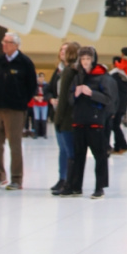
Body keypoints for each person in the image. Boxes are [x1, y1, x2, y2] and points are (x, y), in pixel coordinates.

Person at [63, 46, 115, 198]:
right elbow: (70, 99)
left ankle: (100, 187)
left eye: (88, 59)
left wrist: (92, 93)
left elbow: (109, 100)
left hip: (96, 122)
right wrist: (76, 93)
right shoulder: (77, 76)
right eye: (83, 59)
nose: (85, 62)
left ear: (93, 60)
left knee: (99, 155)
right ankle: (76, 186)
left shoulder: (103, 77)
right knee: (78, 155)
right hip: (79, 121)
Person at [0, 31, 37, 190]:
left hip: (15, 109)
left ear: (16, 45)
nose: (4, 44)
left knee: (14, 144)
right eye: (3, 41)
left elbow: (32, 86)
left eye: (8, 42)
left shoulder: (25, 62)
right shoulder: (0, 61)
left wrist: (22, 101)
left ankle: (16, 178)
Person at [49, 42, 79, 193]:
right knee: (63, 149)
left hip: (66, 117)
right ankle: (63, 178)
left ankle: (69, 182)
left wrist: (57, 118)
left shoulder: (70, 71)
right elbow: (51, 88)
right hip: (62, 114)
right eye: (61, 49)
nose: (63, 52)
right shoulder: (60, 70)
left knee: (69, 151)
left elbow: (65, 99)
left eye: (66, 50)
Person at [109, 54, 127, 154]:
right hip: (122, 105)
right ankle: (119, 146)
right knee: (115, 125)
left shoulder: (114, 76)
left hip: (116, 106)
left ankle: (121, 145)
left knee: (114, 125)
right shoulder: (125, 77)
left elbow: (113, 92)